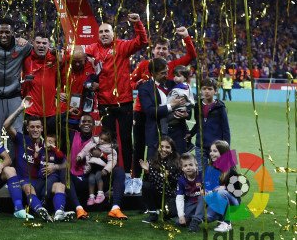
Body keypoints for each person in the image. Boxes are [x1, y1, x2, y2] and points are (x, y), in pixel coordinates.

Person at [83, 13, 148, 181]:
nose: (104, 34)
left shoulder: (122, 46)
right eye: (101, 32)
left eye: (107, 31)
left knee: (126, 140)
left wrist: (137, 24)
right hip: (105, 103)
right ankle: (111, 173)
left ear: (113, 33)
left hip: (124, 102)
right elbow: (76, 55)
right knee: (108, 143)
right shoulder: (92, 49)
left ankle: (127, 174)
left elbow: (142, 42)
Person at [129, 28, 196, 190]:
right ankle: (136, 181)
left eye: (164, 48)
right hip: (142, 111)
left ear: (168, 51)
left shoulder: (173, 66)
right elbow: (130, 82)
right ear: (153, 50)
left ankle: (171, 183)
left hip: (166, 113)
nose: (161, 51)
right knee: (139, 146)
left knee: (163, 146)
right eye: (158, 48)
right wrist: (137, 85)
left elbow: (192, 56)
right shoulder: (144, 65)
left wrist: (186, 37)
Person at [4, 97, 68, 222]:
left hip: (43, 183)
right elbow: (6, 125)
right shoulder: (21, 139)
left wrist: (55, 167)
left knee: (60, 185)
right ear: (27, 129)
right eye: (32, 127)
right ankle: (40, 210)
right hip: (26, 182)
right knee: (28, 187)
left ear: (42, 129)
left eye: (38, 127)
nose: (35, 130)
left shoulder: (48, 146)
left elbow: (67, 164)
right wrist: (21, 109)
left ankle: (59, 212)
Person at [65, 113, 129, 220]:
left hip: (99, 178)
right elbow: (57, 124)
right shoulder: (72, 136)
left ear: (94, 125)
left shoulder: (103, 140)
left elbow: (112, 161)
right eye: (83, 121)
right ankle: (79, 209)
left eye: (89, 122)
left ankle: (115, 208)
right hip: (81, 178)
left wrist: (101, 155)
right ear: (79, 124)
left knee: (119, 171)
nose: (86, 124)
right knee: (64, 174)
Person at [140, 136, 182, 223]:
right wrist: (147, 172)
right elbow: (149, 181)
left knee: (170, 215)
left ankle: (167, 211)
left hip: (171, 196)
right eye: (161, 146)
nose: (164, 149)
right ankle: (153, 214)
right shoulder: (152, 160)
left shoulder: (177, 162)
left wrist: (168, 176)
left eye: (167, 147)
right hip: (158, 194)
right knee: (146, 186)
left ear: (172, 149)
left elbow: (175, 182)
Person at [191, 79, 231, 167]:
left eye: (210, 89)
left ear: (215, 91)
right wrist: (190, 134)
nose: (207, 91)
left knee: (218, 171)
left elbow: (226, 128)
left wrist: (226, 145)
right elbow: (198, 124)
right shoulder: (197, 106)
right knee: (202, 173)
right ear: (200, 90)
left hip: (217, 146)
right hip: (200, 145)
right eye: (204, 89)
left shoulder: (220, 107)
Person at [204, 140, 239, 233]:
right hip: (215, 199)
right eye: (211, 151)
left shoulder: (231, 171)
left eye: (215, 151)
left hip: (233, 203)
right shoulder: (211, 168)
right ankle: (219, 217)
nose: (211, 153)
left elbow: (238, 192)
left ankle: (227, 223)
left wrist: (226, 188)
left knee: (221, 192)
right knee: (206, 217)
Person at [80, 130, 116, 206]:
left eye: (105, 140)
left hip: (101, 168)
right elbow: (85, 150)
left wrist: (106, 169)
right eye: (101, 138)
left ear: (109, 141)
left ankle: (100, 194)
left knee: (98, 176)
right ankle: (91, 196)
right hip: (92, 167)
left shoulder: (110, 149)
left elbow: (112, 161)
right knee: (91, 179)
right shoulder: (94, 144)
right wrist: (80, 156)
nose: (102, 141)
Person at [175, 153, 205, 232]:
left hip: (204, 202)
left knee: (203, 195)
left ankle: (196, 220)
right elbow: (179, 198)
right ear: (182, 168)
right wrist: (181, 216)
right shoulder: (181, 180)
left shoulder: (202, 175)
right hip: (191, 203)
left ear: (196, 165)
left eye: (191, 165)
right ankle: (192, 219)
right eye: (185, 166)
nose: (188, 168)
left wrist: (206, 190)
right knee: (178, 222)